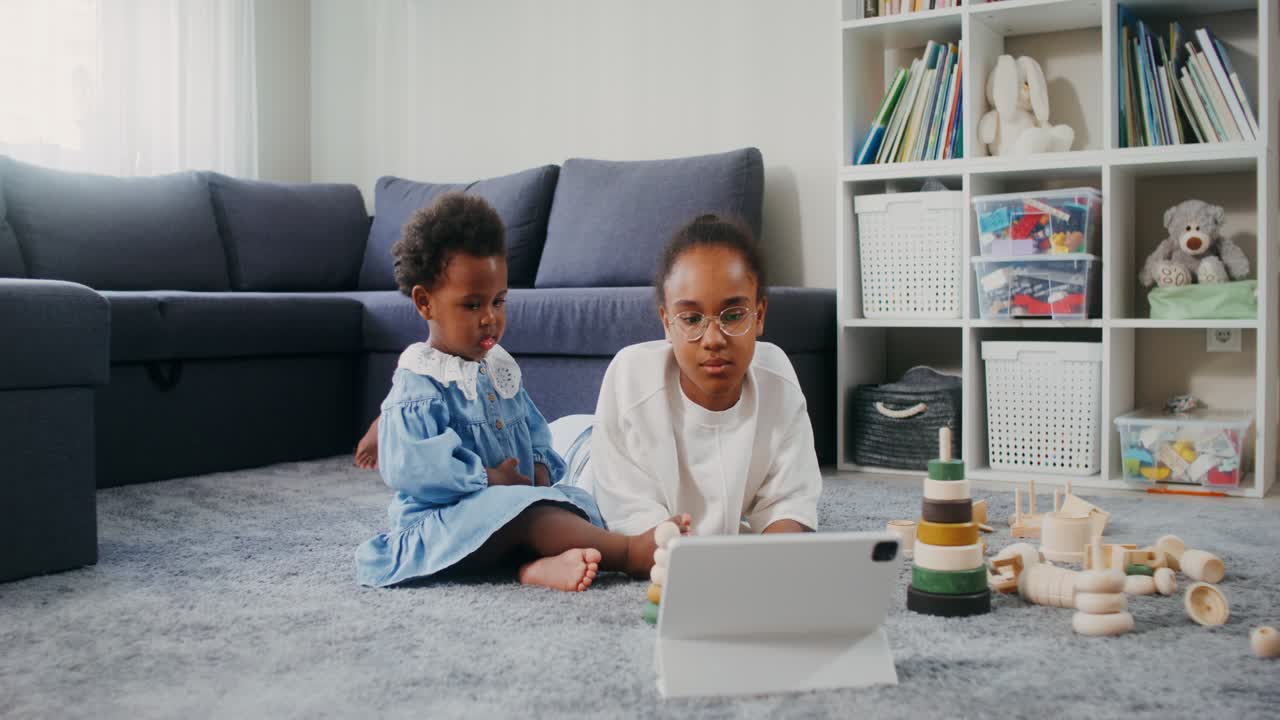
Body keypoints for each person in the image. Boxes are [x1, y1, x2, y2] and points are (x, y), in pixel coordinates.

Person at [356, 193, 688, 590]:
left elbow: (533, 432)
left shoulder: (498, 369)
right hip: (444, 527)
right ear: (425, 302)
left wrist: (542, 473)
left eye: (499, 301)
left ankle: (533, 568)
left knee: (573, 505)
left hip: (507, 508)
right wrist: (490, 479)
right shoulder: (419, 382)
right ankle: (630, 553)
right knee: (527, 517)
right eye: (472, 305)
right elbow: (415, 467)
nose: (490, 318)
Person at [559, 213, 822, 537]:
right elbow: (639, 532)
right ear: (667, 323)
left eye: (734, 315)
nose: (713, 339)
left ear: (760, 315)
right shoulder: (630, 376)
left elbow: (789, 502)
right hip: (577, 460)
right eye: (692, 319)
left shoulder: (777, 379)